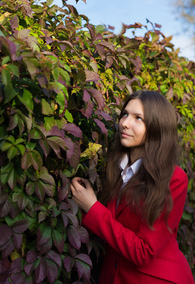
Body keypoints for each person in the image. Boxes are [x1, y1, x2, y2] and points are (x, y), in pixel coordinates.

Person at [71, 90, 194, 284]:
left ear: (157, 126)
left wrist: (92, 207)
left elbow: (144, 251)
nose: (125, 123)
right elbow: (113, 227)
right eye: (125, 114)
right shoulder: (116, 167)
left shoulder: (173, 178)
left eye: (138, 118)